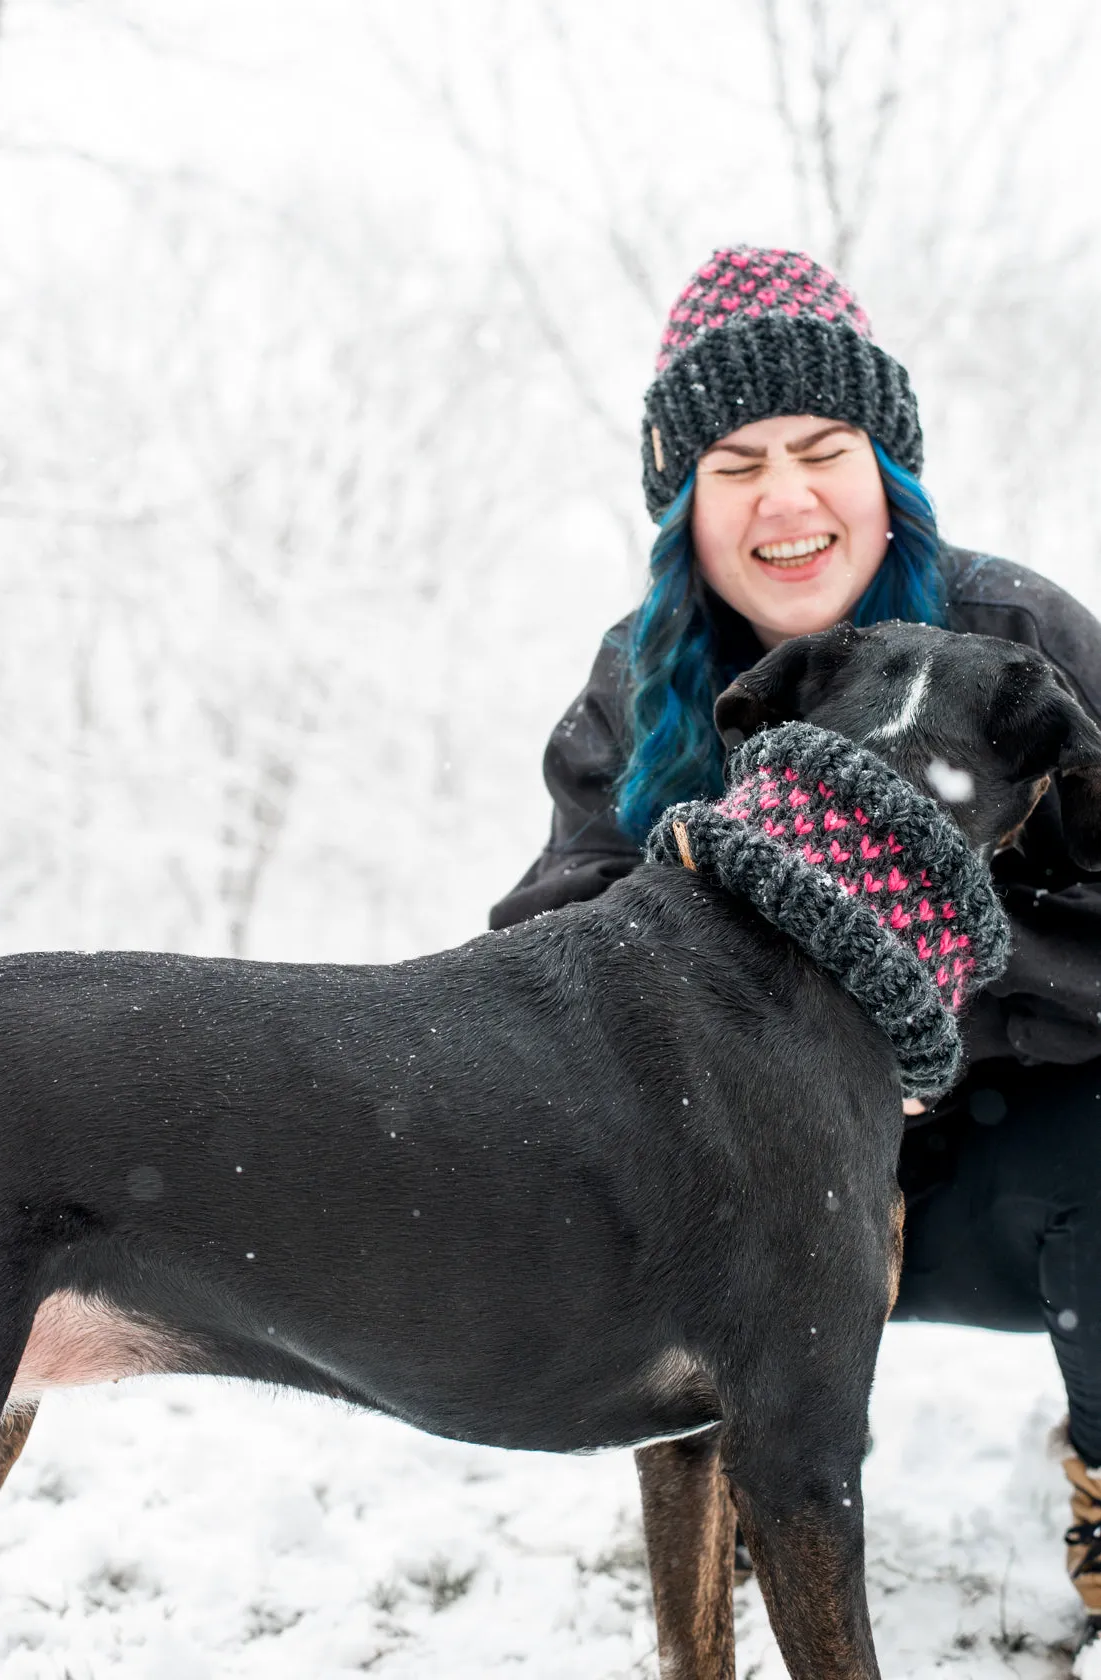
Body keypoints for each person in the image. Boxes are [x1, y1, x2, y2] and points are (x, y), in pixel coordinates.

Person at [489, 244, 1101, 1645]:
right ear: (683, 510)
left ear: (888, 472)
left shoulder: (1020, 646)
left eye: (825, 448)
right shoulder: (642, 691)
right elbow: (547, 945)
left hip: (992, 1182)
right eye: (733, 463)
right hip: (754, 1198)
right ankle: (731, 1526)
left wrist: (908, 999)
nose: (785, 498)